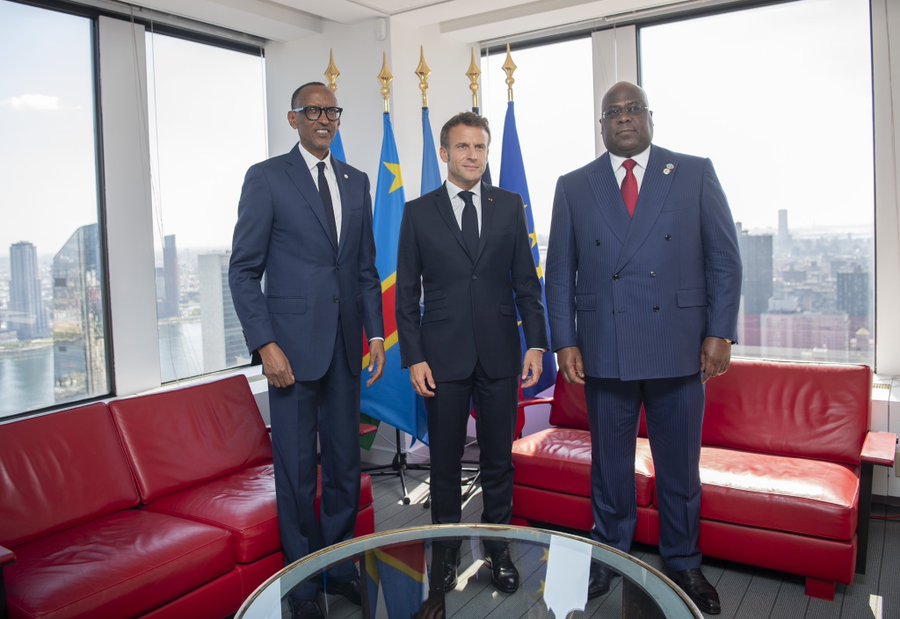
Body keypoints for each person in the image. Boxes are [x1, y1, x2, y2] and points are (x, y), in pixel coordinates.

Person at [544, 81, 742, 615]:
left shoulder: (694, 172)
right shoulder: (574, 185)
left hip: (679, 346)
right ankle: (610, 556)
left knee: (679, 466)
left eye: (633, 109)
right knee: (609, 467)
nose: (624, 118)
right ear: (601, 125)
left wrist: (720, 332)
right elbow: (559, 273)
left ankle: (684, 561)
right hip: (605, 347)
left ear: (650, 117)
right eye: (613, 112)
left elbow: (725, 260)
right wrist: (564, 340)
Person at [228, 81, 385, 619]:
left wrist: (376, 334)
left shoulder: (357, 180)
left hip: (345, 349)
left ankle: (338, 568)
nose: (324, 119)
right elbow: (243, 271)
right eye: (312, 111)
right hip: (289, 356)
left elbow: (364, 268)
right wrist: (264, 343)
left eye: (331, 111)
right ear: (293, 119)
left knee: (344, 466)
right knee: (296, 474)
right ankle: (300, 586)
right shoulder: (267, 177)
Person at [396, 112, 548, 594]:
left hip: (500, 355)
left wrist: (536, 343)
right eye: (462, 147)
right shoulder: (418, 212)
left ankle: (498, 550)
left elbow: (527, 284)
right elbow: (406, 295)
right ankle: (446, 552)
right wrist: (414, 356)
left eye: (480, 147)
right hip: (440, 359)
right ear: (445, 153)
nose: (472, 155)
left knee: (498, 460)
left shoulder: (509, 205)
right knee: (443, 464)